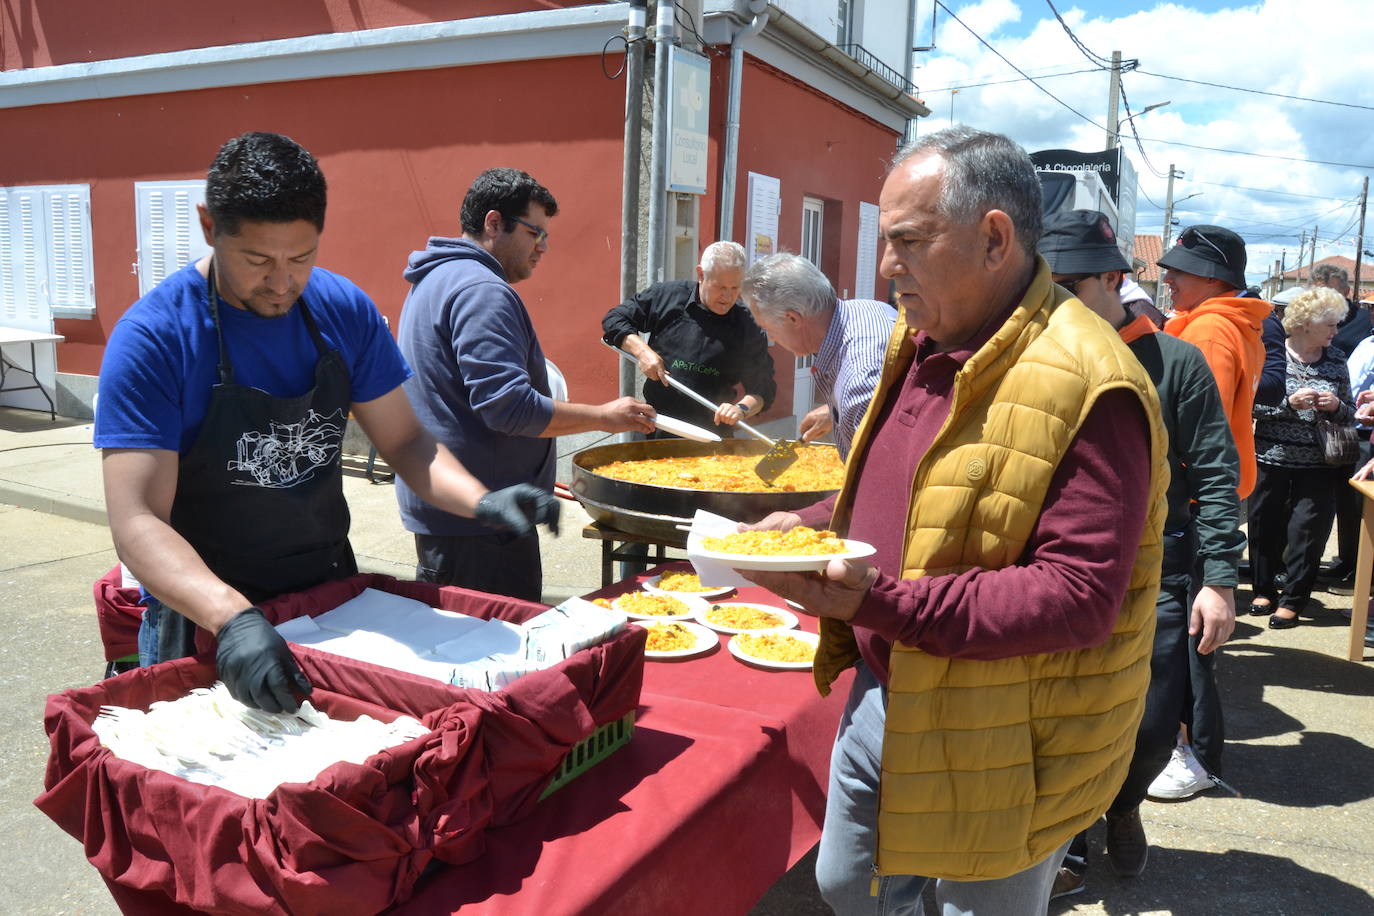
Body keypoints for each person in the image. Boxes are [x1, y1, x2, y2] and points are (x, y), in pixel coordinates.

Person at [737, 127, 1169, 915]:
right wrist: (800, 524)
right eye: (884, 240)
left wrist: (879, 604)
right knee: (846, 884)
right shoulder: (922, 337)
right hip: (886, 688)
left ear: (995, 237)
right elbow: (896, 492)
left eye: (907, 240)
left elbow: (1078, 596)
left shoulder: (1092, 381)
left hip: (1004, 733)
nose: (884, 268)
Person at [95, 133, 560, 713]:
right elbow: (137, 520)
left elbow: (408, 442)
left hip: (328, 595)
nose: (283, 282)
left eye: (302, 257)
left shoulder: (342, 310)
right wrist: (230, 617)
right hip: (204, 613)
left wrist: (481, 502)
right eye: (258, 260)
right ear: (210, 226)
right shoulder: (156, 338)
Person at [1038, 210, 1242, 897]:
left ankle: (1123, 806)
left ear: (1113, 280)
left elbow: (1215, 471)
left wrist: (1220, 579)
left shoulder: (1174, 363)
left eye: (1071, 285)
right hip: (1054, 571)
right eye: (1046, 283)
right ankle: (1064, 838)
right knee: (1058, 713)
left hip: (1158, 570)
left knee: (1154, 723)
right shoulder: (1037, 355)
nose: (1057, 299)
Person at [396, 168, 656, 602]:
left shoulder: (436, 278)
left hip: (458, 514)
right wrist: (606, 417)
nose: (544, 247)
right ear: (493, 223)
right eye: (536, 232)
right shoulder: (483, 289)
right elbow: (508, 408)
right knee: (499, 657)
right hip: (484, 524)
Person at [1248, 286, 1355, 628]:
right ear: (1307, 323)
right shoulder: (1272, 356)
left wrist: (1337, 406)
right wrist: (1286, 405)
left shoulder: (1336, 359)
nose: (1336, 332)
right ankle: (1263, 590)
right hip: (1270, 456)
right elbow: (1249, 405)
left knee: (1307, 533)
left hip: (1319, 464)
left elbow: (1350, 412)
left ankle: (1293, 600)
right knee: (1264, 525)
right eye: (1331, 325)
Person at [602, 241, 776, 437]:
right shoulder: (667, 296)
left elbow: (763, 390)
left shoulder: (748, 324)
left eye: (735, 288)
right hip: (657, 426)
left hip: (712, 435)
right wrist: (642, 352)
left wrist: (741, 409)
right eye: (720, 287)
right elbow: (614, 319)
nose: (728, 296)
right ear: (701, 274)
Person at [739, 253, 895, 458]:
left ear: (793, 318)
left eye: (768, 328)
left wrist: (847, 407)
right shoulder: (871, 308)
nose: (772, 338)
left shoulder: (858, 381)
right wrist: (834, 412)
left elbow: (882, 477)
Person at [1158, 224, 1271, 501]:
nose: (1167, 278)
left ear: (1212, 277)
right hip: (1218, 486)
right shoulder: (1239, 323)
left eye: (1180, 270)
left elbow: (1200, 430)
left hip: (1193, 493)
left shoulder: (1209, 331)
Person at [1311, 264, 1371, 594]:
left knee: (1357, 505)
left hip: (1358, 426)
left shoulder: (1359, 323)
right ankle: (1348, 562)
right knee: (1345, 502)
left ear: (1347, 292)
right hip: (1337, 427)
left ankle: (1356, 568)